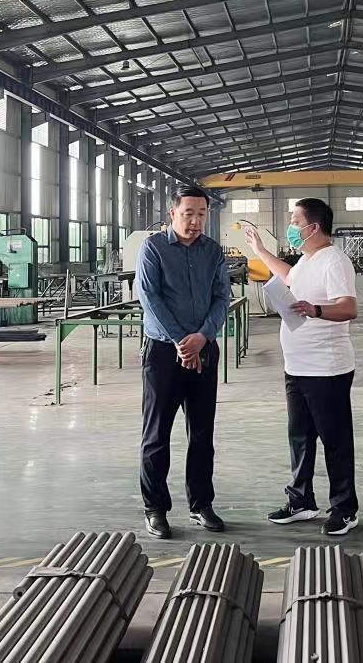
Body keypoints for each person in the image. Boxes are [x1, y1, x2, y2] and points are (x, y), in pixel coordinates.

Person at [245, 199, 360, 537]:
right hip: (297, 366)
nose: (292, 227)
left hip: (327, 368)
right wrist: (260, 251)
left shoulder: (334, 261)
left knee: (335, 440)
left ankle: (344, 509)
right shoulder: (307, 260)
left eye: (296, 221)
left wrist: (316, 310)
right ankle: (301, 501)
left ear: (314, 227)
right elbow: (287, 275)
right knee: (300, 437)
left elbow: (348, 308)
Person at [135, 185, 231, 540]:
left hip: (203, 349)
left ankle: (201, 504)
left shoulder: (213, 251)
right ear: (173, 213)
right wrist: (181, 340)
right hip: (163, 353)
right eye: (188, 214)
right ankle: (155, 509)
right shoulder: (153, 248)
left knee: (202, 433)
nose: (195, 221)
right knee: (156, 434)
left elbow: (222, 297)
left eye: (201, 214)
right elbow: (150, 297)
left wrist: (202, 337)